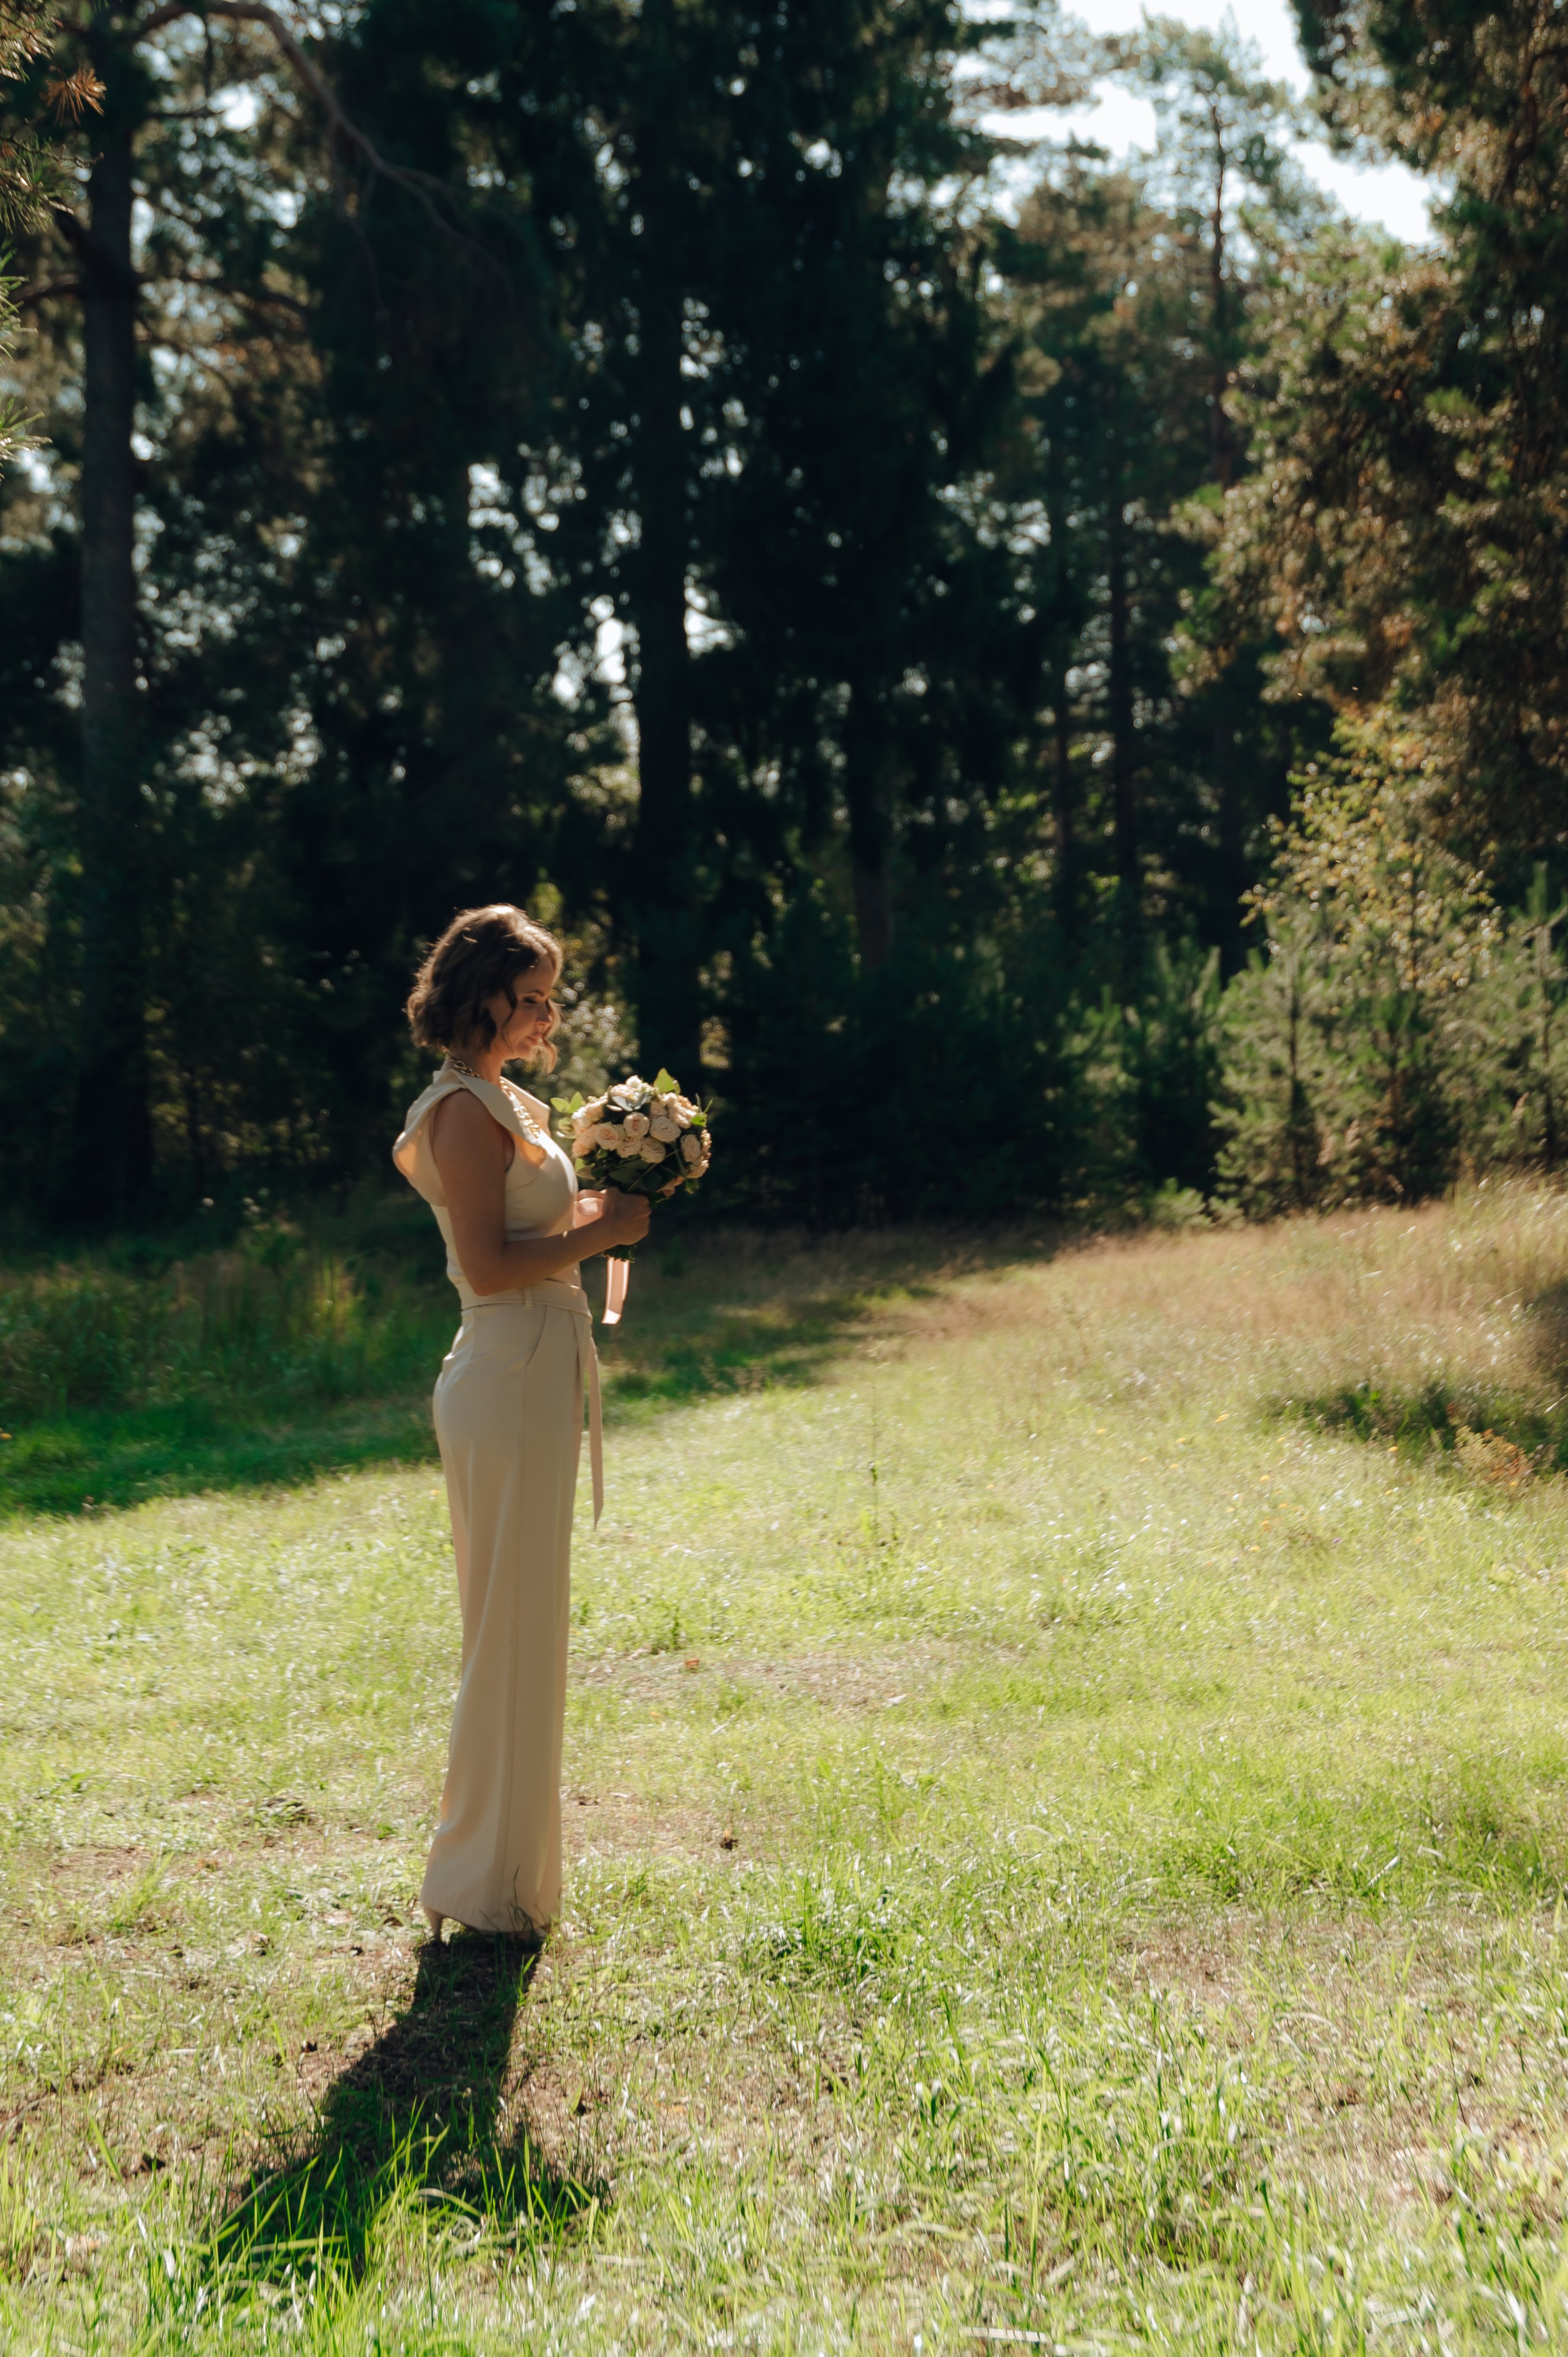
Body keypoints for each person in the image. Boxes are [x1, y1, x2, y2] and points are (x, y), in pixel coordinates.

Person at [392, 905, 649, 1943]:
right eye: (533, 997)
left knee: (530, 1630)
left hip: (541, 1365)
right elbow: (493, 1265)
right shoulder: (459, 1111)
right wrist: (606, 1235)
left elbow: (547, 1227)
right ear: (481, 992)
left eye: (551, 998)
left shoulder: (519, 1101)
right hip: (504, 1367)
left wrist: (626, 1195)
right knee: (505, 1631)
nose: (548, 1015)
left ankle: (511, 1883)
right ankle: (478, 1883)